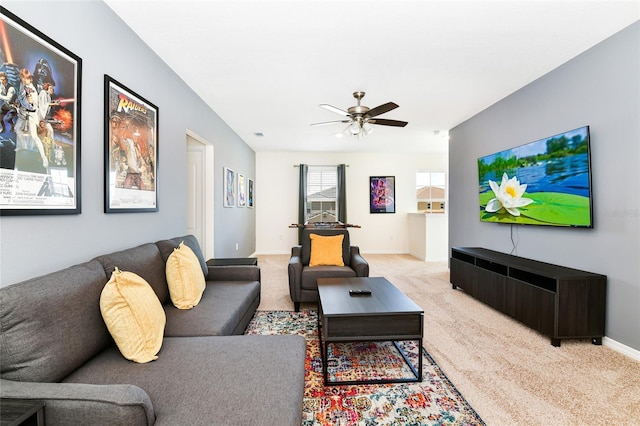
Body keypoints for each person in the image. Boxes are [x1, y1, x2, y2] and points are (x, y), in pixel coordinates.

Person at [15, 68, 48, 169]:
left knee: (34, 136)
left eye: (27, 79)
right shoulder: (22, 85)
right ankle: (24, 146)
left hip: (31, 114)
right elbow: (20, 96)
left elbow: (34, 107)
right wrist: (18, 102)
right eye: (23, 78)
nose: (24, 80)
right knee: (17, 128)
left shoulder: (32, 91)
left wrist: (31, 103)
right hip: (23, 113)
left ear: (30, 79)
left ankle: (44, 158)